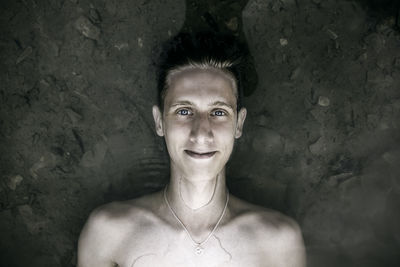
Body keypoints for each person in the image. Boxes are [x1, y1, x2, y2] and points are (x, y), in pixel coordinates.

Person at [77, 32, 306, 267]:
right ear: (159, 122)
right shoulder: (109, 233)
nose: (200, 133)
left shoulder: (278, 242)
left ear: (238, 124)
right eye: (184, 111)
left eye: (218, 112)